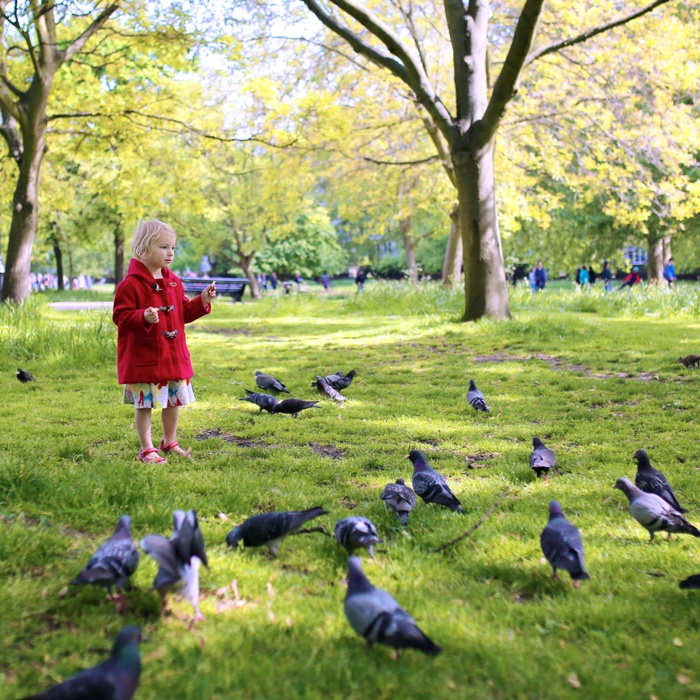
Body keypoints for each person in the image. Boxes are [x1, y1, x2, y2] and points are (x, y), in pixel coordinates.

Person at [112, 220, 215, 464]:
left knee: (173, 401)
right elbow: (120, 317)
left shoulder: (174, 282)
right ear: (143, 249)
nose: (170, 253)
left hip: (172, 356)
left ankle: (169, 441)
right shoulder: (130, 285)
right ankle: (147, 448)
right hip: (145, 359)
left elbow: (182, 313)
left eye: (173, 248)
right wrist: (142, 316)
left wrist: (201, 300)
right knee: (144, 405)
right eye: (163, 247)